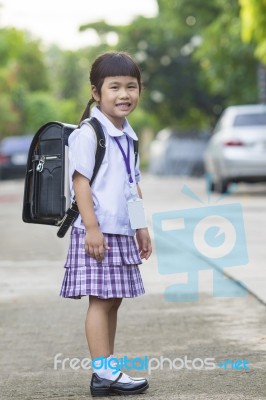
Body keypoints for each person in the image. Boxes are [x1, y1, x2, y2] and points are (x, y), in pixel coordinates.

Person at [60, 51, 152, 397]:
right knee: (101, 301)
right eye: (115, 87)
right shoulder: (88, 133)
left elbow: (133, 185)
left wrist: (141, 226)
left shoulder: (128, 136)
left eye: (132, 86)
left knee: (113, 300)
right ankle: (103, 372)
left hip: (121, 230)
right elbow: (79, 182)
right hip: (97, 231)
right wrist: (93, 228)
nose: (124, 94)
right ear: (96, 92)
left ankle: (108, 367)